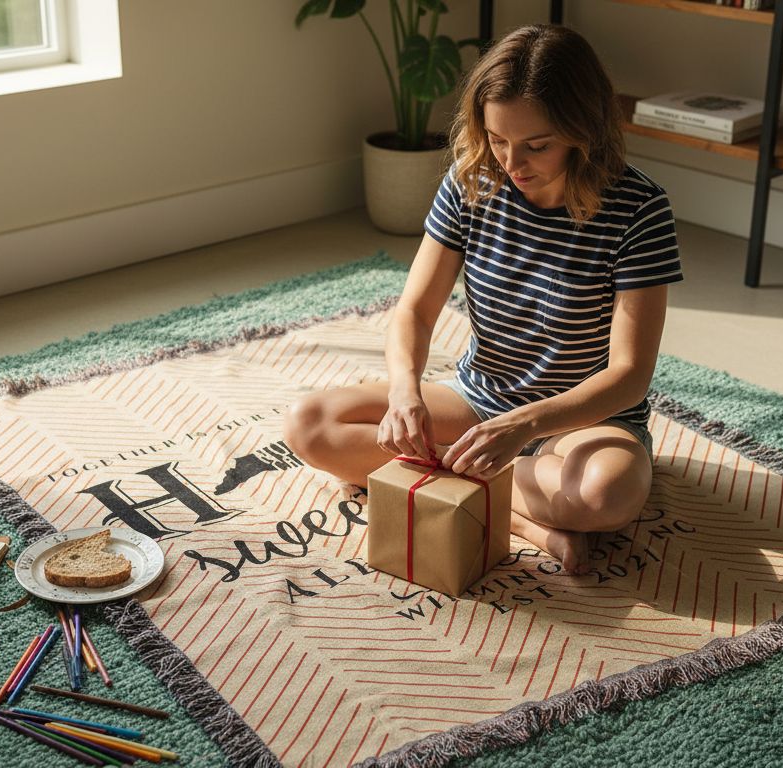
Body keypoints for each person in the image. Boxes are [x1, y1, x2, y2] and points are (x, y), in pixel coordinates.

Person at [282, 24, 682, 574]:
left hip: (585, 420)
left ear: (581, 129)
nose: (512, 162)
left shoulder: (639, 210)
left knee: (603, 498)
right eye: (497, 138)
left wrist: (521, 428)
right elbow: (415, 312)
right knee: (308, 423)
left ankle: (449, 483)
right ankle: (521, 520)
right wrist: (405, 394)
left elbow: (630, 374)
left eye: (536, 145)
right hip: (480, 398)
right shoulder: (472, 183)